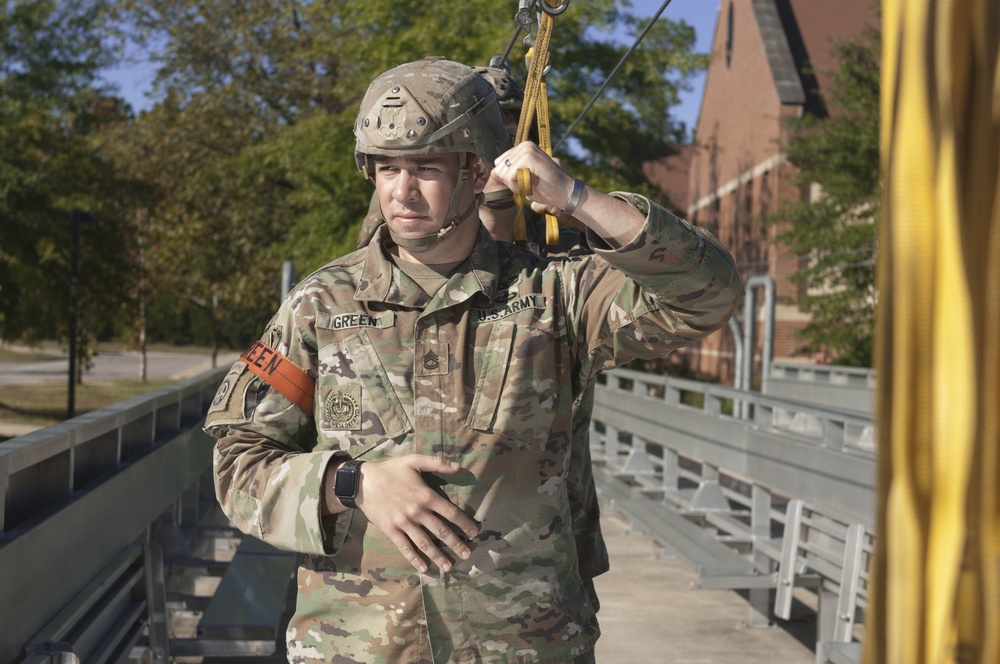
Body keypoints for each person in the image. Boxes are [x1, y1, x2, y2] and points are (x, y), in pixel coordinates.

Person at [205, 58, 742, 663]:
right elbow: (237, 463)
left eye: (426, 169)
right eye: (387, 168)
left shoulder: (554, 297)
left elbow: (709, 292)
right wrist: (351, 484)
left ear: (477, 171)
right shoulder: (319, 305)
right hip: (359, 647)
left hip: (524, 646)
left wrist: (575, 198)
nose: (401, 193)